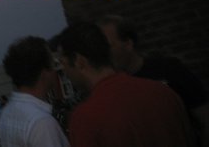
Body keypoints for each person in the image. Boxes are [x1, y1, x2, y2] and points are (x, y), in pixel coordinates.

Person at [56, 22, 195, 147]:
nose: (65, 72)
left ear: (79, 61)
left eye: (63, 63)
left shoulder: (85, 119)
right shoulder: (163, 92)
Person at [98, 14, 209, 146]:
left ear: (128, 43)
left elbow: (204, 114)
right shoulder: (112, 88)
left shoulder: (168, 69)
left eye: (108, 46)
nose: (104, 54)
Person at [0, 36, 69, 147]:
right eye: (53, 64)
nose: (55, 70)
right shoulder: (42, 123)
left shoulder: (6, 113)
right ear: (44, 73)